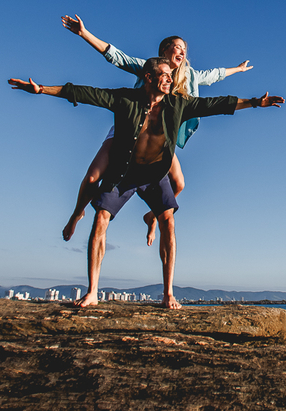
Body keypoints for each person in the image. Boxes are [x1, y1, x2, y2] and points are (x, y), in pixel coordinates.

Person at [8, 58, 283, 309]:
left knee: (168, 221)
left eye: (170, 76)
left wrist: (255, 103)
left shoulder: (178, 104)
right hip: (123, 173)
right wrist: (42, 89)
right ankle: (92, 291)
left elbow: (218, 105)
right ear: (149, 77)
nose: (170, 79)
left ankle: (168, 293)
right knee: (100, 219)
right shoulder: (125, 99)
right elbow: (83, 93)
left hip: (154, 176)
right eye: (164, 75)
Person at [60, 14, 253, 245]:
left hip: (159, 141)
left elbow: (215, 75)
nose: (182, 51)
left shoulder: (189, 76)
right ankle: (77, 213)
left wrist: (238, 70)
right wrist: (84, 34)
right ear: (165, 50)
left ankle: (151, 216)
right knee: (93, 177)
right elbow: (117, 57)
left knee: (179, 184)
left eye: (184, 48)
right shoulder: (147, 68)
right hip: (127, 133)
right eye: (177, 47)